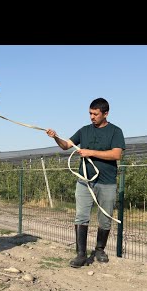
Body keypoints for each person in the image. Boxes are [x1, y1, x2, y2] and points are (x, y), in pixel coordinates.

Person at [46, 98, 125, 268]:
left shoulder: (115, 131)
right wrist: (56, 137)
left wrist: (91, 152)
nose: (92, 117)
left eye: (95, 114)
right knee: (81, 216)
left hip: (107, 182)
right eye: (90, 113)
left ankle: (99, 249)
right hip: (84, 182)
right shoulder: (84, 131)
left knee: (105, 219)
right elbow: (66, 145)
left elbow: (117, 154)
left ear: (106, 114)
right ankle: (81, 254)